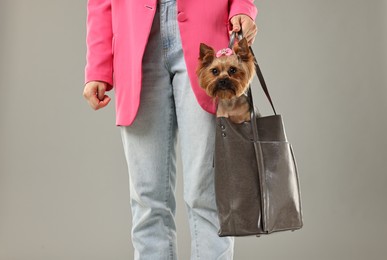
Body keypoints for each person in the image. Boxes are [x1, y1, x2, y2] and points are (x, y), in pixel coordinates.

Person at [83, 0, 257, 259]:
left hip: (205, 34)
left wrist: (242, 7)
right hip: (135, 43)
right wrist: (98, 67)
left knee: (206, 192)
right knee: (147, 198)